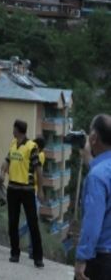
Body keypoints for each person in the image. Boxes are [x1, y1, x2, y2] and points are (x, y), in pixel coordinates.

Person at [0, 119, 44, 268]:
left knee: (32, 223)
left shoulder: (32, 147)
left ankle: (38, 257)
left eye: (14, 128)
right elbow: (7, 160)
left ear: (17, 129)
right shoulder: (13, 143)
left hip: (27, 190)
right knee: (13, 222)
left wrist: (41, 190)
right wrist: (2, 174)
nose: (13, 130)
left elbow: (38, 169)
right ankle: (15, 253)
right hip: (12, 188)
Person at [75, 114, 111, 280]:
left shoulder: (97, 177)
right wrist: (89, 160)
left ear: (94, 137)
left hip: (101, 260)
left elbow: (93, 221)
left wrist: (82, 258)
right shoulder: (101, 172)